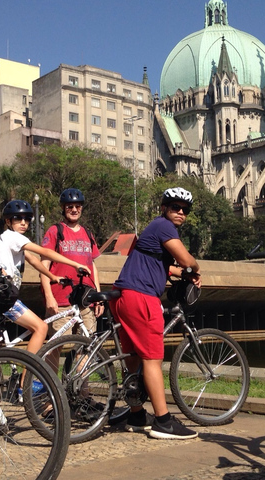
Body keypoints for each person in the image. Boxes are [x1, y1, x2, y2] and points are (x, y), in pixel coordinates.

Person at [109, 187, 202, 440]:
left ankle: (137, 415)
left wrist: (181, 273)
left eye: (185, 210)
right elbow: (185, 259)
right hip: (141, 297)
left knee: (133, 359)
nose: (180, 212)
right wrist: (194, 268)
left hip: (122, 295)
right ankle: (164, 422)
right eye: (175, 207)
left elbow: (161, 265)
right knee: (152, 358)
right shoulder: (164, 226)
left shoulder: (154, 229)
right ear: (164, 208)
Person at [0, 199, 91, 370]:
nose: (23, 223)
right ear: (7, 221)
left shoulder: (7, 239)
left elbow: (34, 261)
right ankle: (25, 382)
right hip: (3, 296)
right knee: (41, 328)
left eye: (27, 219)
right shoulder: (14, 237)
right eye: (18, 219)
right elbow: (45, 252)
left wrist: (52, 276)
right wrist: (75, 264)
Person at [40, 188, 103, 336]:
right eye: (70, 206)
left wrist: (98, 298)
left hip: (85, 300)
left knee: (88, 345)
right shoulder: (55, 231)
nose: (74, 210)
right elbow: (44, 267)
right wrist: (49, 297)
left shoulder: (88, 233)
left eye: (78, 206)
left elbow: (92, 266)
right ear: (63, 208)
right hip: (61, 301)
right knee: (57, 345)